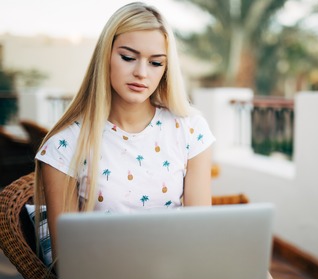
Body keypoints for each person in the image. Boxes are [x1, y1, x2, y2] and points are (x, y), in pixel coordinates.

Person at [33, 2, 215, 263]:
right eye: (128, 57)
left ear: (166, 69)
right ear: (105, 56)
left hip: (177, 271)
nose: (141, 73)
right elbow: (69, 261)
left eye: (155, 63)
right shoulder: (64, 145)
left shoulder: (191, 129)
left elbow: (201, 232)